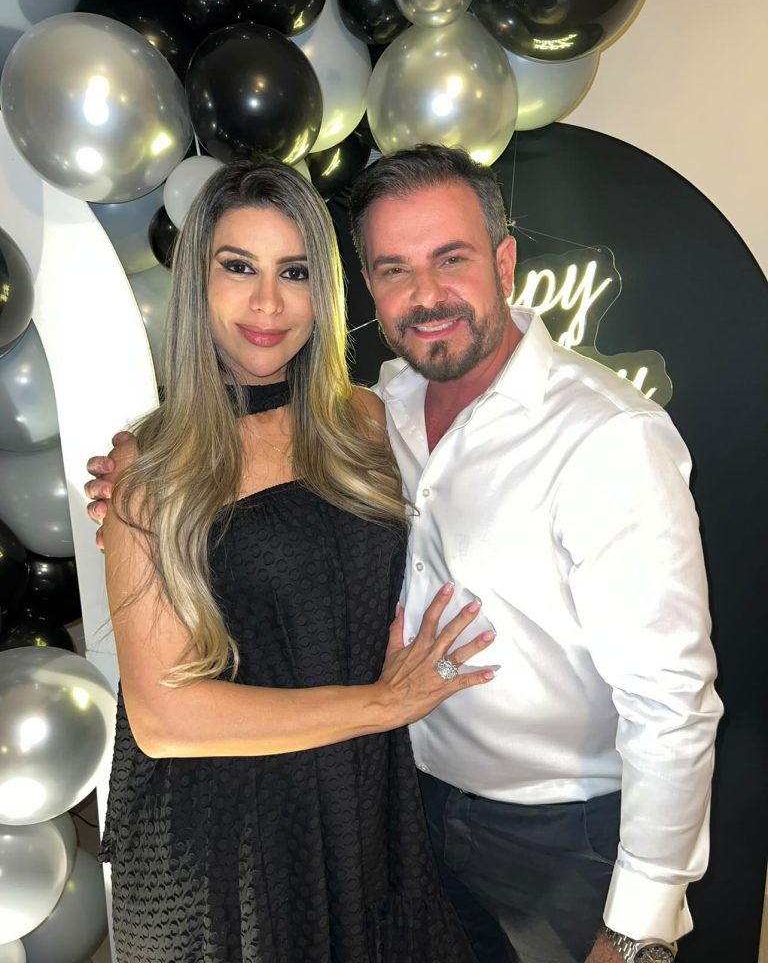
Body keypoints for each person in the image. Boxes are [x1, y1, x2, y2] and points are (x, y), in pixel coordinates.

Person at [88, 145, 723, 963]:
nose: (425, 295)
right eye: (395, 269)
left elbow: (674, 701)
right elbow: (163, 716)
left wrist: (638, 932)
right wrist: (140, 475)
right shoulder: (383, 408)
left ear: (504, 262)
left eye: (450, 259)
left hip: (545, 837)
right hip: (304, 824)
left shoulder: (597, 436)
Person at [92, 158, 494, 963]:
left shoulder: (365, 421)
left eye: (295, 272)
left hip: (359, 801)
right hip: (224, 841)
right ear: (197, 284)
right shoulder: (149, 466)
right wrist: (381, 704)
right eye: (238, 268)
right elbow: (166, 721)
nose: (268, 304)